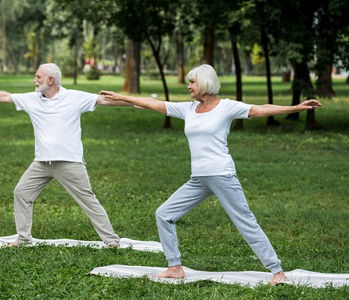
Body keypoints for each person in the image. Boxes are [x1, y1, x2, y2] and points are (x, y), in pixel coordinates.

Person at [100, 64, 321, 285]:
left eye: (192, 82)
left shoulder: (226, 107)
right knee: (164, 213)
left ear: (205, 82)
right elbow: (154, 103)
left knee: (245, 221)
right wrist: (123, 98)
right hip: (198, 179)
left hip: (222, 175)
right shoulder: (188, 109)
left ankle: (278, 272)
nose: (188, 86)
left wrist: (296, 108)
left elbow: (261, 109)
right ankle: (175, 267)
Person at [0, 63, 132, 247]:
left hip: (69, 163)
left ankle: (111, 241)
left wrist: (136, 102)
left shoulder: (74, 98)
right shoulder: (32, 99)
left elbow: (105, 101)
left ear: (50, 80)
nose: (34, 80)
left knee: (88, 201)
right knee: (21, 193)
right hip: (41, 163)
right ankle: (23, 239)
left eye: (38, 77)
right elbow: (5, 96)